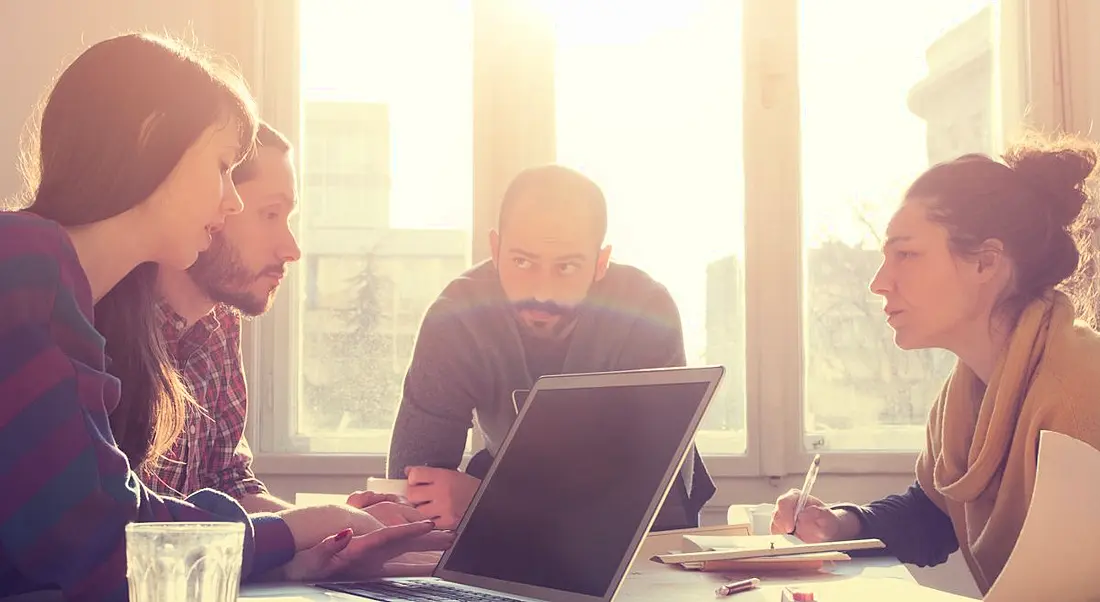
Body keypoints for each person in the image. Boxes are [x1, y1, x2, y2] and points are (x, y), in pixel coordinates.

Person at [0, 33, 446, 601]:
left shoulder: (57, 288)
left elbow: (95, 525)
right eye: (221, 167)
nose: (231, 200)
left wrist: (287, 562)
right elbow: (100, 539)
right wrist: (294, 528)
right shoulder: (20, 266)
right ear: (150, 136)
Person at [769, 136, 1100, 594]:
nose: (879, 283)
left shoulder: (1082, 395)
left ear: (986, 263)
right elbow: (935, 514)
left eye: (906, 254)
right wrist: (839, 525)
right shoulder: (964, 393)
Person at [387, 164, 715, 530]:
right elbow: (411, 483)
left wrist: (488, 502)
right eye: (522, 261)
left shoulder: (644, 311)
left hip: (641, 534)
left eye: (567, 267)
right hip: (508, 512)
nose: (541, 292)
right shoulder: (458, 318)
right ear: (495, 250)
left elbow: (648, 493)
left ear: (600, 263)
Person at [146, 121, 417, 524]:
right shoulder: (106, 326)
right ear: (215, 203)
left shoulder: (219, 323)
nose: (290, 249)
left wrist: (344, 525)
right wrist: (317, 526)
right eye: (270, 214)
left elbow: (228, 485)